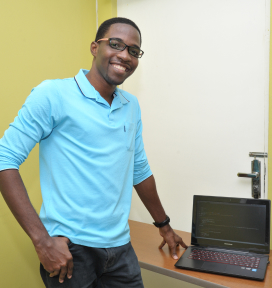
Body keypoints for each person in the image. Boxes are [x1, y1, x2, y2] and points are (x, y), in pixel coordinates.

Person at [0, 17, 187, 288]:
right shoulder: (53, 94)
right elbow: (5, 158)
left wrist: (165, 225)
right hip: (71, 252)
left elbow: (139, 169)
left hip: (121, 249)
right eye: (115, 44)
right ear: (94, 47)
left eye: (134, 51)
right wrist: (42, 242)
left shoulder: (130, 105)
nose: (125, 55)